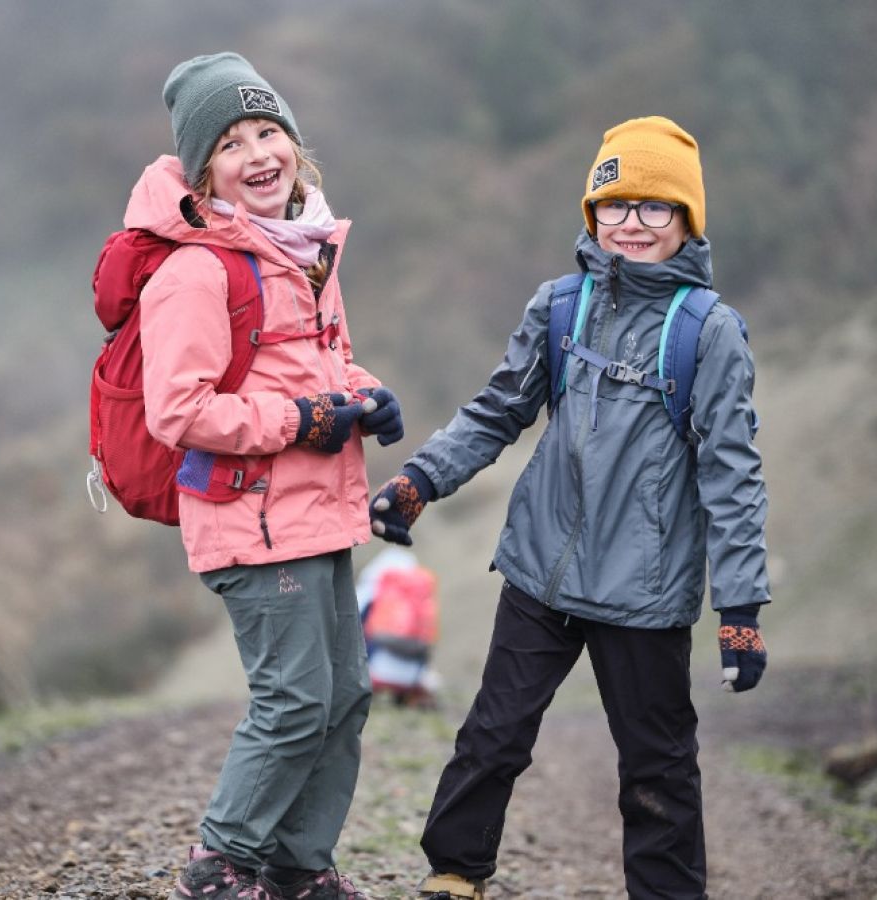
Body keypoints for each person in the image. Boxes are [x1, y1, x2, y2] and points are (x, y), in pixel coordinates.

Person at [368, 116, 771, 900]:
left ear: (688, 219)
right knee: (493, 734)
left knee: (656, 769)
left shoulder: (709, 334)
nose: (633, 223)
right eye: (615, 204)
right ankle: (454, 873)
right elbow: (497, 412)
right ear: (592, 214)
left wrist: (741, 608)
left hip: (644, 594)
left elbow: (734, 476)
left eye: (656, 207)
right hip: (541, 571)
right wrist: (419, 481)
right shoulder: (560, 307)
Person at [129, 52, 404, 900]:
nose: (258, 152)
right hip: (249, 522)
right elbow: (175, 410)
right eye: (232, 141)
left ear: (295, 145)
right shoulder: (195, 270)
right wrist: (298, 423)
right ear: (204, 171)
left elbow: (329, 363)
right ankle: (220, 863)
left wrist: (364, 396)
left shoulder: (309, 251)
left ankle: (298, 867)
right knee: (292, 701)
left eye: (269, 130)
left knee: (346, 697)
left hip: (317, 511)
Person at [355, 547, 441, 708]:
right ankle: (408, 695)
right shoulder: (421, 597)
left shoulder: (373, 590)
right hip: (413, 677)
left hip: (375, 673)